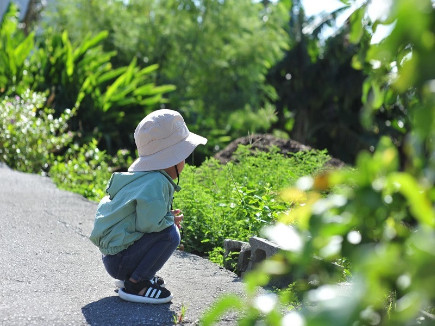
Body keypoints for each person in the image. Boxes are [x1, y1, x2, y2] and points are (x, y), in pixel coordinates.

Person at [89, 109, 207, 304]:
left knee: (167, 229)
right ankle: (137, 283)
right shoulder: (157, 183)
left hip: (113, 257)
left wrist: (165, 215)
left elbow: (139, 217)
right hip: (119, 262)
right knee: (171, 235)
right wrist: (169, 221)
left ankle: (135, 274)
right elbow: (149, 226)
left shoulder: (144, 178)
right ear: (175, 159)